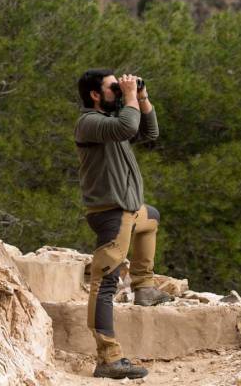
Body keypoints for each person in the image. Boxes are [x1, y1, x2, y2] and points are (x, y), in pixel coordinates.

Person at [74, 69, 173, 380]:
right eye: (111, 87)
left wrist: (140, 97)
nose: (118, 90)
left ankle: (144, 286)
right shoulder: (90, 123)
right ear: (94, 95)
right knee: (104, 284)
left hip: (129, 212)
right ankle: (108, 357)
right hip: (111, 214)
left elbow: (149, 133)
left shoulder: (114, 124)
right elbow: (126, 126)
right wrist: (130, 97)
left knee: (152, 218)